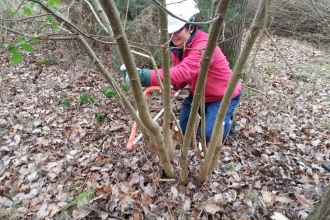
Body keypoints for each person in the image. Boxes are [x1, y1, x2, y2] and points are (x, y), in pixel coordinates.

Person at [121, 0, 242, 142]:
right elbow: (183, 75)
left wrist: (144, 76)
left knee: (210, 135)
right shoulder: (177, 47)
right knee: (181, 131)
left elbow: (184, 71)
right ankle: (208, 117)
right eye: (169, 31)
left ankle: (229, 122)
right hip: (199, 94)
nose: (172, 36)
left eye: (177, 30)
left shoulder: (203, 46)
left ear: (190, 26)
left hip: (222, 95)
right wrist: (173, 85)